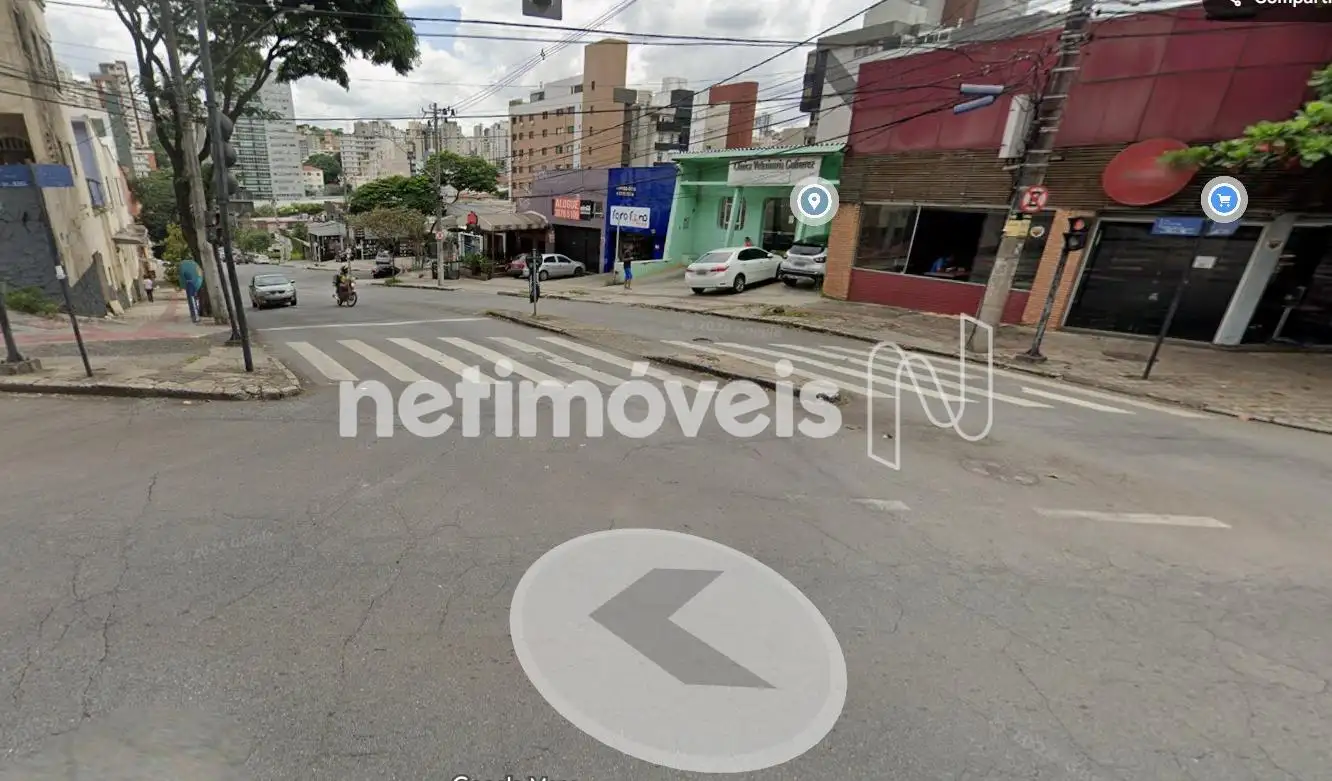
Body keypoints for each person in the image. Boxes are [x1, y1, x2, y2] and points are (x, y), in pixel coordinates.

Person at [177, 257, 202, 323]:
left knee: (192, 301)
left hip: (189, 286)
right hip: (194, 285)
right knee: (194, 301)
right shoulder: (195, 266)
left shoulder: (183, 266)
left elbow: (181, 277)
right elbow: (200, 275)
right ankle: (195, 317)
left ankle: (195, 317)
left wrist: (182, 286)